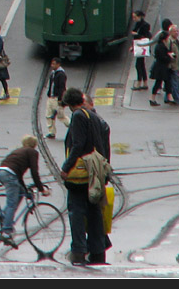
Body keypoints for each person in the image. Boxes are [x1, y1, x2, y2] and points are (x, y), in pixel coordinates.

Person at [60, 87, 110, 265]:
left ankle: (78, 250)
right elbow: (101, 144)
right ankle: (97, 250)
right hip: (95, 170)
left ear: (68, 103)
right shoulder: (94, 117)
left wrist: (66, 167)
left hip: (81, 172)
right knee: (94, 210)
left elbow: (78, 144)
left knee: (76, 211)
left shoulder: (78, 116)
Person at [0, 136, 50, 248]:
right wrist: (41, 189)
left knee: (20, 193)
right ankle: (6, 232)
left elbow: (19, 176)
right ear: (34, 144)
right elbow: (34, 172)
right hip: (10, 174)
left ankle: (5, 216)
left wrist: (26, 191)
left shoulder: (19, 150)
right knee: (12, 202)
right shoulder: (32, 152)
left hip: (2, 171)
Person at [44, 58, 70, 138]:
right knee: (48, 115)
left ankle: (72, 127)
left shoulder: (61, 74)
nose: (52, 65)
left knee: (60, 116)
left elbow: (62, 87)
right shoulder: (53, 73)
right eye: (52, 64)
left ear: (58, 64)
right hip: (51, 97)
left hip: (57, 98)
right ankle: (52, 132)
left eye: (54, 64)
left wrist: (60, 99)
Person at [149, 29, 173, 107]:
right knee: (159, 83)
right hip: (161, 68)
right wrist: (169, 57)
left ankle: (169, 97)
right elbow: (163, 57)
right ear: (165, 38)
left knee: (166, 82)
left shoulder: (160, 45)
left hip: (161, 68)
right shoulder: (161, 46)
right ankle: (152, 98)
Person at [129, 11, 152, 90]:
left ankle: (139, 82)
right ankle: (145, 82)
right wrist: (133, 46)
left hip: (142, 48)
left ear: (139, 17)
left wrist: (136, 34)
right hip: (139, 47)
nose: (134, 19)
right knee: (141, 65)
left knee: (138, 65)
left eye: (135, 17)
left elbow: (145, 36)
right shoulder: (138, 24)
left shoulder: (145, 25)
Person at [165, 24, 179, 105]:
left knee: (171, 82)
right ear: (170, 32)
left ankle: (167, 98)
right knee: (175, 83)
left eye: (177, 31)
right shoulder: (169, 41)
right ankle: (177, 99)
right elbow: (167, 53)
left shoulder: (177, 41)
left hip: (177, 65)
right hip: (173, 66)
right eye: (174, 31)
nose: (176, 32)